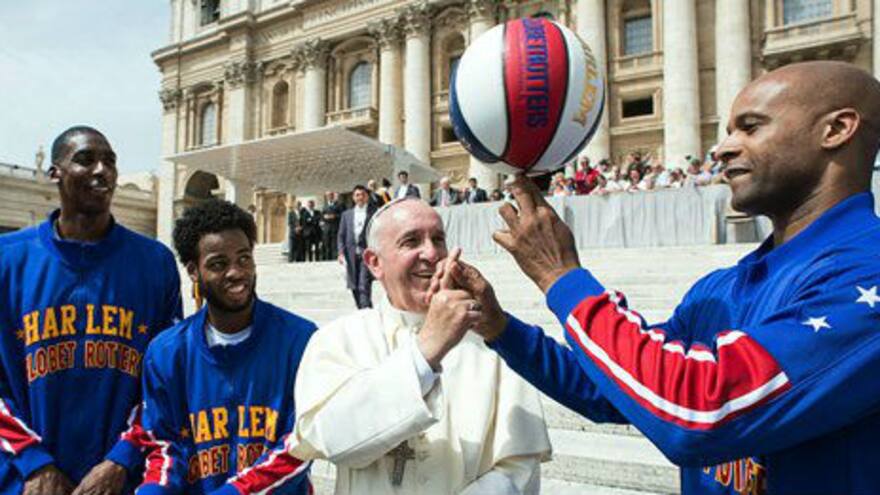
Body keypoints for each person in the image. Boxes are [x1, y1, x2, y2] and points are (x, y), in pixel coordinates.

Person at [452, 61, 880, 494]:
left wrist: (562, 277)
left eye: (750, 128)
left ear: (836, 130)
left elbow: (700, 410)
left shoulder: (868, 276)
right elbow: (609, 387)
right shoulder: (720, 288)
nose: (723, 148)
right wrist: (500, 328)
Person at [289, 199, 550, 494]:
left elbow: (518, 466)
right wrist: (426, 350)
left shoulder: (491, 340)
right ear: (374, 263)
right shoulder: (339, 338)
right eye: (411, 241)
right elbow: (332, 439)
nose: (431, 253)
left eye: (438, 239)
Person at [0, 126, 182, 494]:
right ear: (55, 172)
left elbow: (166, 382)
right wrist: (34, 463)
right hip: (25, 481)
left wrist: (122, 458)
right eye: (85, 160)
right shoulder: (7, 259)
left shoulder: (155, 263)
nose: (102, 170)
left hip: (120, 482)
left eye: (110, 162)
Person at [137, 199, 315, 494]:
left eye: (244, 259)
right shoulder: (166, 353)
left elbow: (301, 443)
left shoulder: (300, 340)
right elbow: (164, 446)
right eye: (219, 264)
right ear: (194, 271)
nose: (236, 272)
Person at [337, 185, 377, 308]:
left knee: (363, 285)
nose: (360, 197)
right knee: (354, 286)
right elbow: (341, 234)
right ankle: (364, 312)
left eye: (362, 195)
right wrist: (340, 252)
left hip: (366, 255)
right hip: (350, 255)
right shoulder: (346, 215)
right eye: (357, 195)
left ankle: (366, 312)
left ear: (367, 197)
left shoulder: (373, 213)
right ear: (353, 197)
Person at [321, 191, 343, 261]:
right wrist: (324, 218)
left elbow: (342, 215)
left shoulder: (338, 205)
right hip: (327, 228)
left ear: (333, 196)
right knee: (327, 244)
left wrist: (334, 216)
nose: (329, 197)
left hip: (335, 227)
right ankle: (327, 259)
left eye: (331, 195)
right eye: (328, 195)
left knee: (334, 244)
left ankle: (334, 259)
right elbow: (321, 216)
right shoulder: (324, 206)